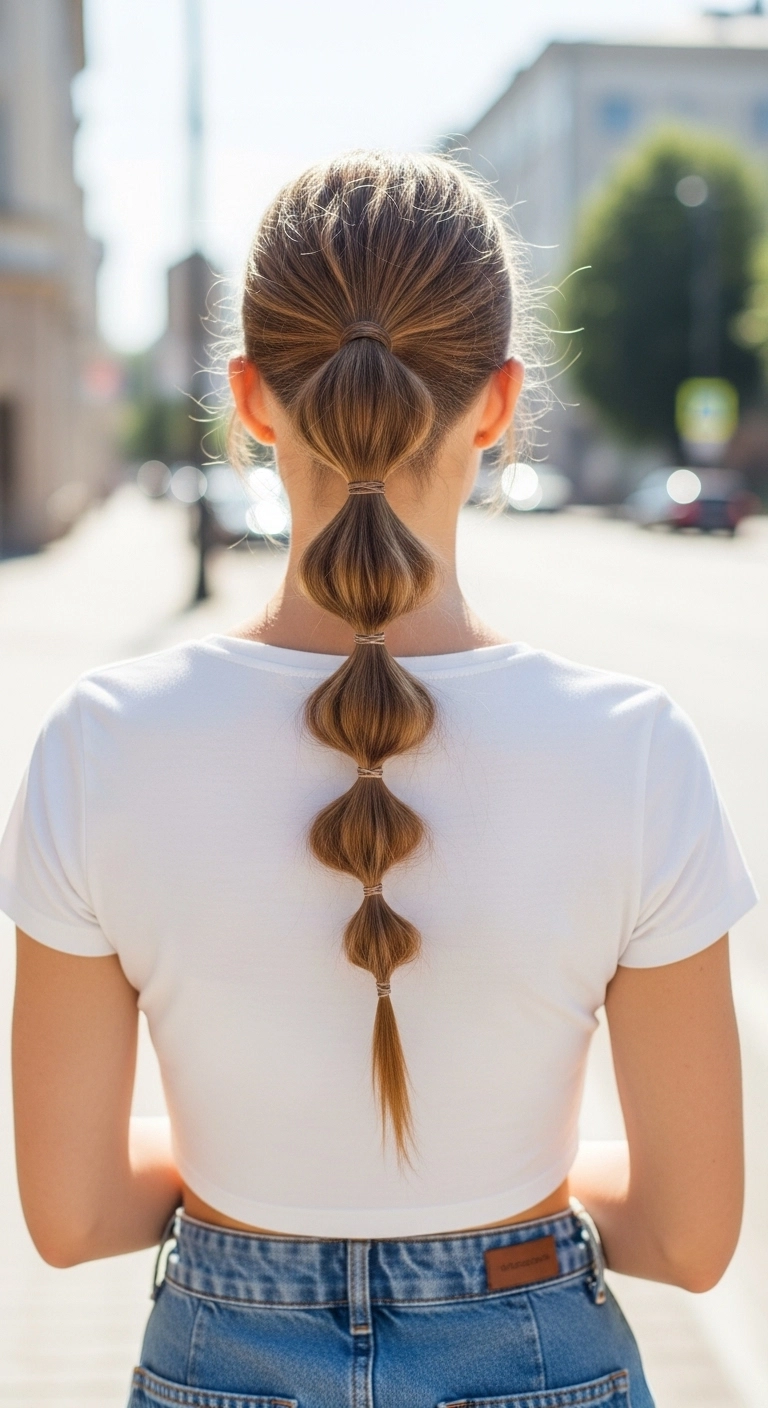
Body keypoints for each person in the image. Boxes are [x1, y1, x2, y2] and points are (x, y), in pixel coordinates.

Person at [0, 153, 757, 1408]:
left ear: (251, 398)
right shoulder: (636, 748)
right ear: (499, 402)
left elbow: (70, 1214)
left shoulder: (100, 741)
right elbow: (689, 1235)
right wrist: (498, 1195)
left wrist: (268, 1176)